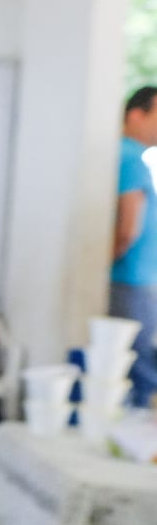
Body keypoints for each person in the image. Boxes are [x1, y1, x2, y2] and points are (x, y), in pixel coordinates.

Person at [110, 86, 157, 407]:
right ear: (136, 114)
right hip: (130, 280)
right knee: (139, 365)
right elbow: (127, 229)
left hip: (136, 279)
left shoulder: (130, 157)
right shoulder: (127, 157)